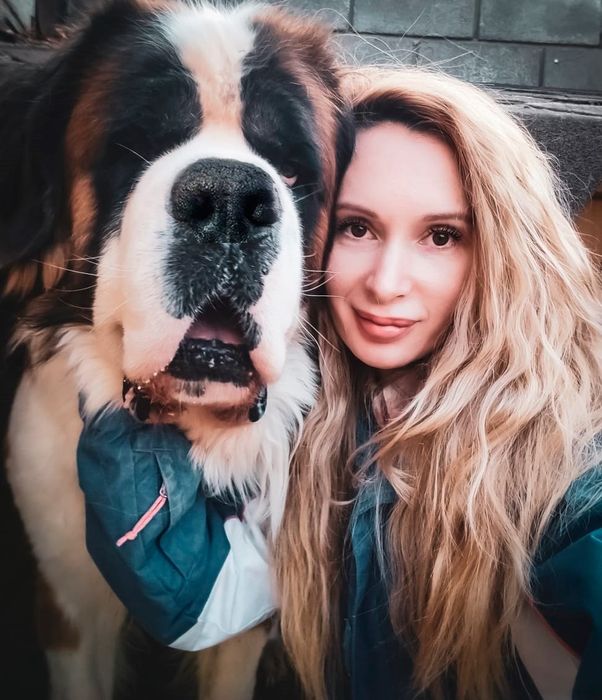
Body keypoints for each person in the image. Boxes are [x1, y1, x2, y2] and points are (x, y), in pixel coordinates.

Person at [77, 66, 602, 699]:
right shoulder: (324, 418)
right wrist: (150, 361)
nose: (386, 283)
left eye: (441, 236)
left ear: (502, 249)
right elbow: (197, 603)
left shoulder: (571, 459)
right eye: (357, 227)